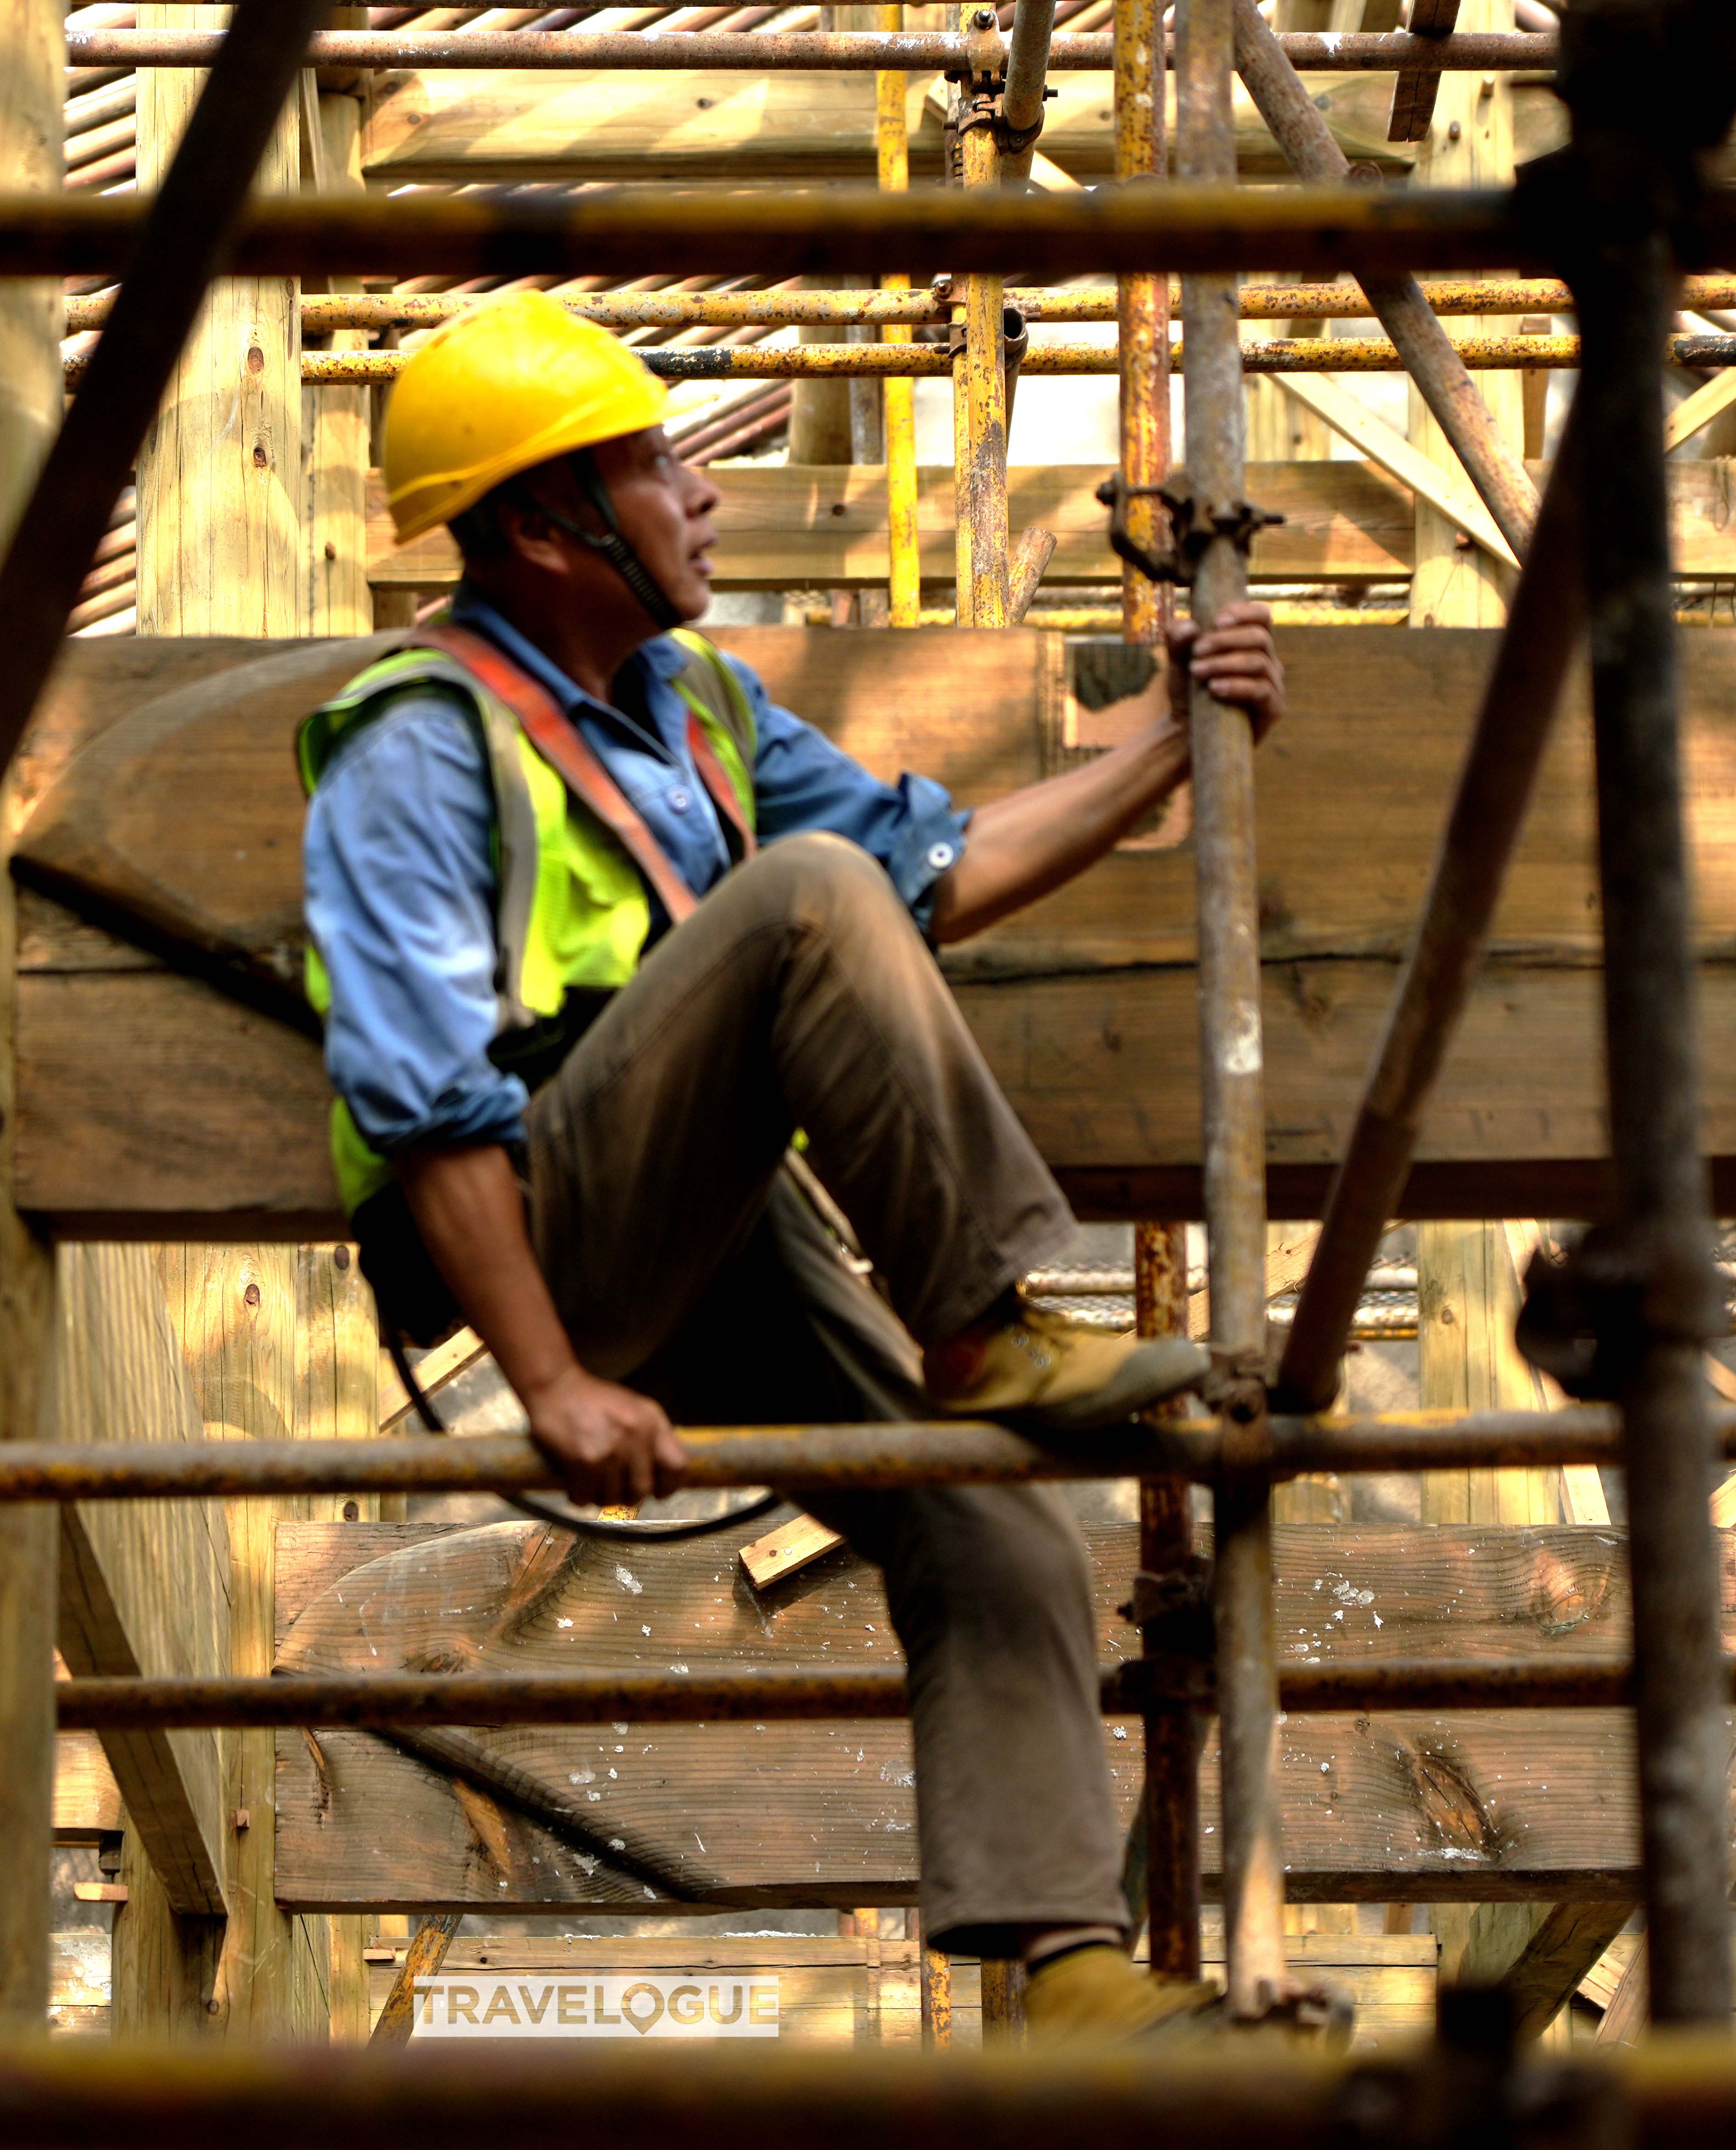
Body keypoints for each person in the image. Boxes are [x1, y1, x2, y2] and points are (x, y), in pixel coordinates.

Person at [297, 291, 1286, 2041]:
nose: (707, 500)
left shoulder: (699, 714)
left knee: (989, 1530)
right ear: (541, 523)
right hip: (541, 1231)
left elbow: (939, 873)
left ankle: (1064, 1978)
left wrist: (1171, 750)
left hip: (708, 1216)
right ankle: (981, 1324)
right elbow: (415, 1094)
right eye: (661, 471)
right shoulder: (416, 743)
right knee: (809, 896)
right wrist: (544, 1380)